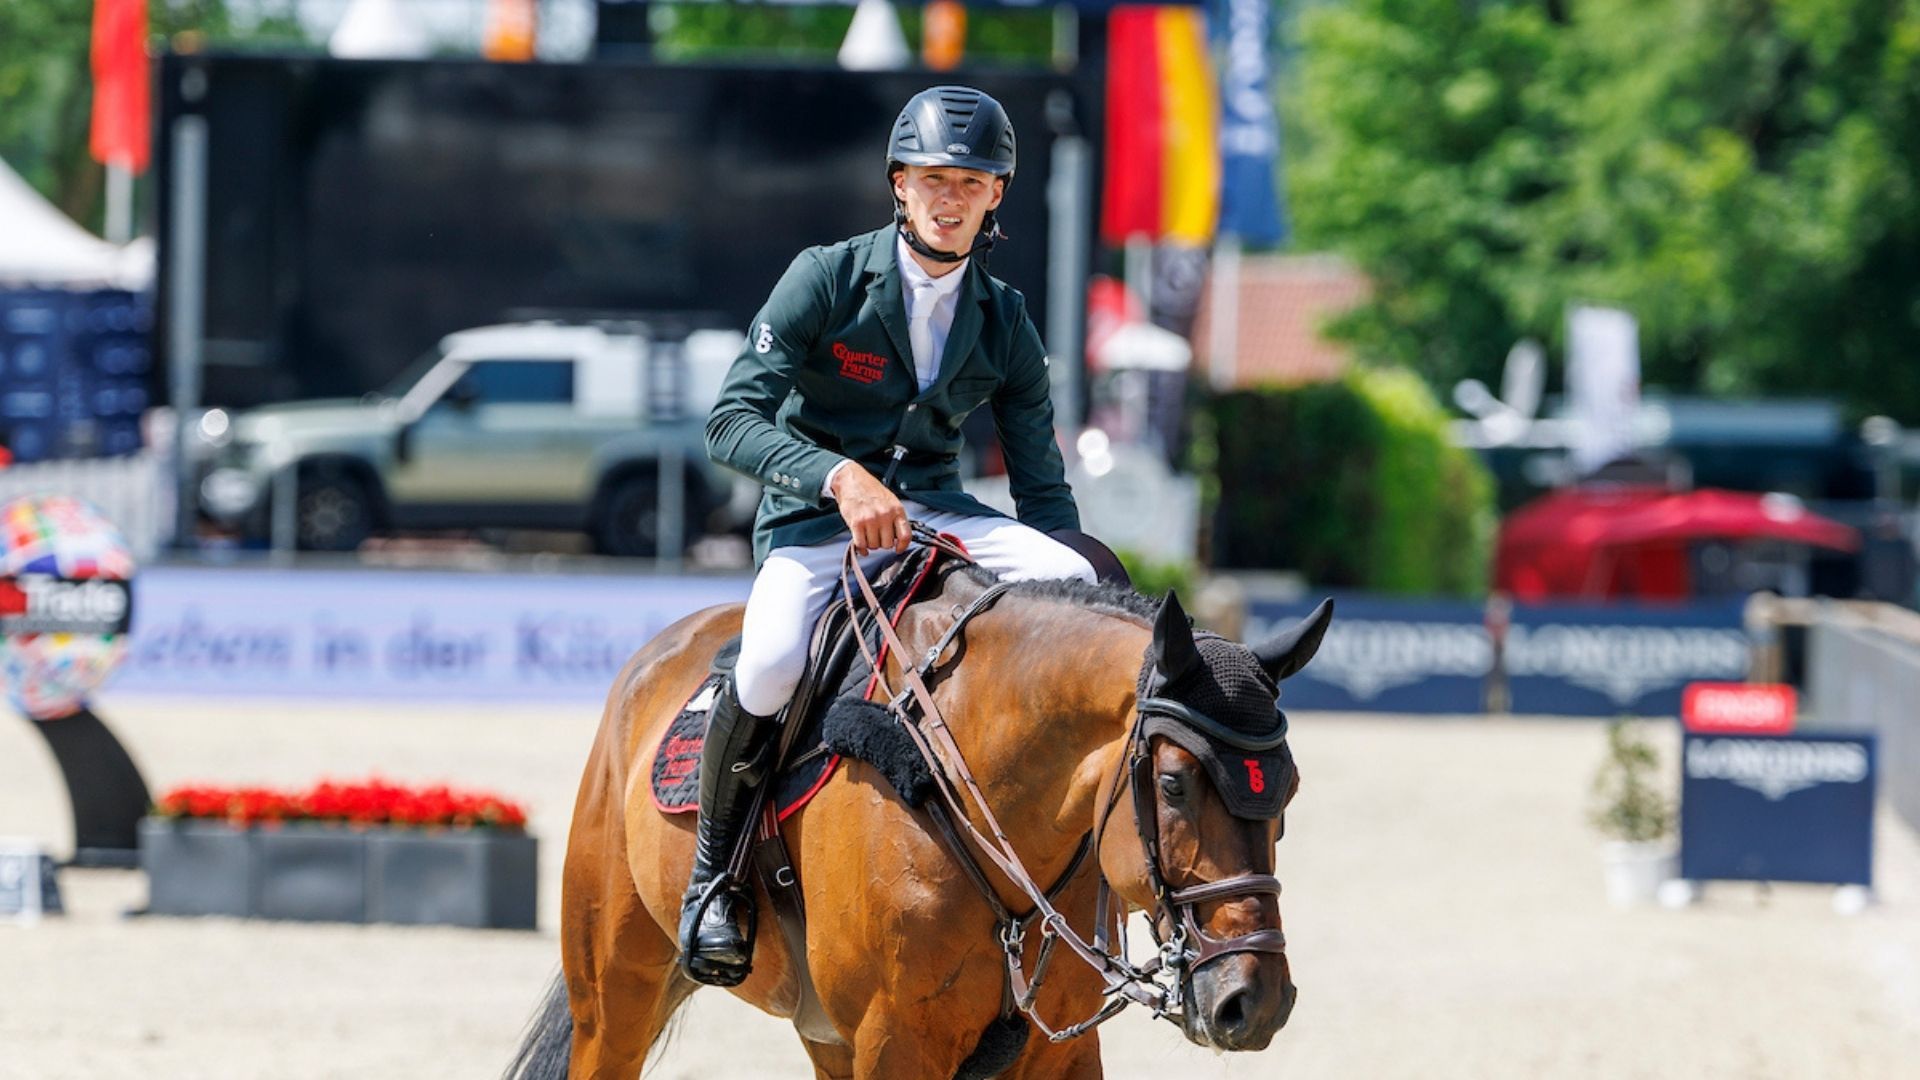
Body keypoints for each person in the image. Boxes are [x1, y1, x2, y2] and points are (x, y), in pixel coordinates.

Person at [682, 85, 1098, 986]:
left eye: (973, 182)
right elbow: (728, 421)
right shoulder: (827, 276)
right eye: (934, 179)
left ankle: (1077, 866)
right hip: (816, 522)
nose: (951, 198)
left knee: (1074, 579)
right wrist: (836, 475)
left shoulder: (1006, 317)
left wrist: (1088, 583)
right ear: (899, 185)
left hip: (939, 513)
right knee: (766, 665)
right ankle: (714, 878)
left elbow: (1040, 482)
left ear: (996, 197)